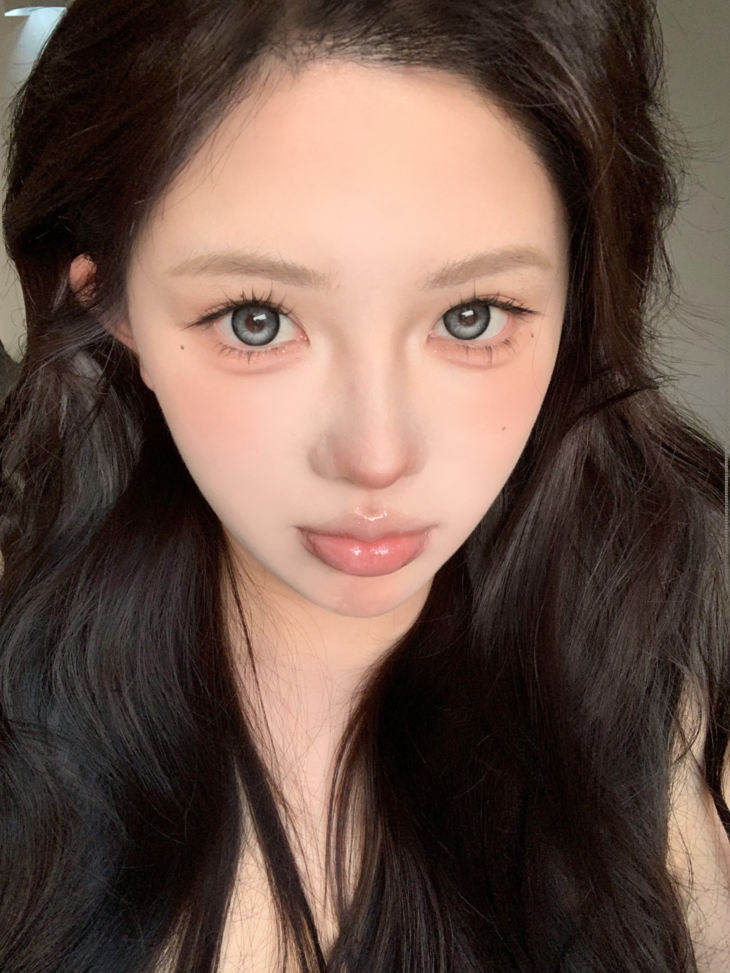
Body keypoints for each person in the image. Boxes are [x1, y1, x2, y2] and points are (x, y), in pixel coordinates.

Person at [0, 0, 728, 971]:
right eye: (256, 320)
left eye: (472, 315)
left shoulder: (690, 697)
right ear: (113, 308)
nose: (375, 455)